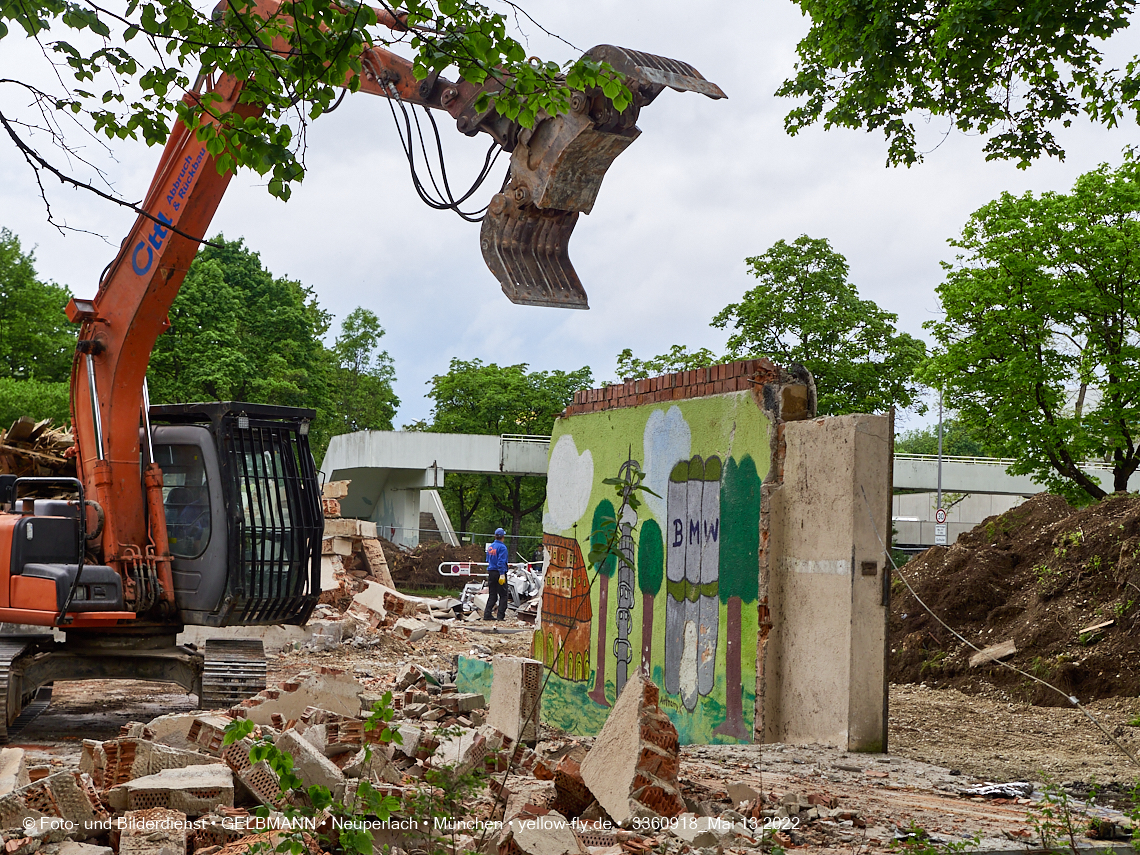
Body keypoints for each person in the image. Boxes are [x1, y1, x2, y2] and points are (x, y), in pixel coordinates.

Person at [484, 527, 509, 621]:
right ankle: (500, 616)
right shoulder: (502, 547)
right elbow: (501, 562)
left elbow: (488, 559)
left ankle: (487, 614)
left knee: (492, 594)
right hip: (499, 573)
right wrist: (502, 574)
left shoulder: (491, 547)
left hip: (491, 572)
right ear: (503, 536)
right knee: (503, 595)